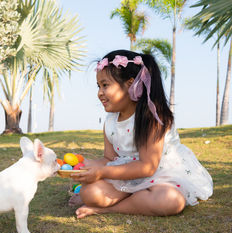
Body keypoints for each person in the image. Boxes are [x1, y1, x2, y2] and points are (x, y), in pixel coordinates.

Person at [70, 49, 213, 219]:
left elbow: (148, 167)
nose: (100, 92)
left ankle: (109, 209)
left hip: (161, 175)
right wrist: (85, 165)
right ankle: (134, 197)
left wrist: (101, 173)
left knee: (171, 201)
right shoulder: (110, 121)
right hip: (128, 175)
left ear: (130, 84)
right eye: (98, 86)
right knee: (90, 193)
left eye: (105, 85)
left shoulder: (152, 117)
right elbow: (109, 159)